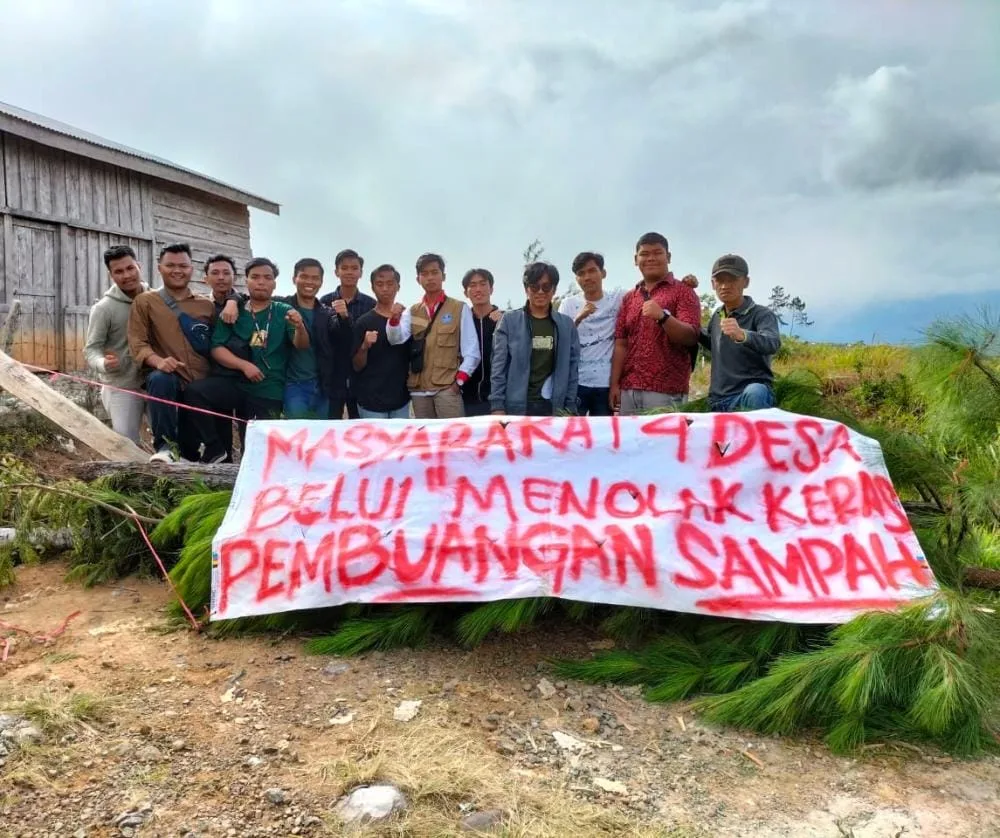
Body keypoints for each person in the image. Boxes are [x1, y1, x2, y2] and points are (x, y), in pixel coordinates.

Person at [184, 258, 310, 462]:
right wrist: (243, 365)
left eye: (267, 278)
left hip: (268, 390)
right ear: (246, 281)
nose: (261, 282)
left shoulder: (283, 310)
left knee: (254, 451)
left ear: (274, 283)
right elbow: (216, 348)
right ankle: (214, 448)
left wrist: (300, 326)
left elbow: (301, 345)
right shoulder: (234, 310)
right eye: (255, 277)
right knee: (195, 392)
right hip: (237, 384)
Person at [128, 243, 216, 463]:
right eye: (170, 265)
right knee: (160, 379)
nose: (177, 270)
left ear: (191, 269)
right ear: (160, 268)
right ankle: (164, 446)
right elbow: (137, 342)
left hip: (199, 383)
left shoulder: (206, 305)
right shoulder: (145, 302)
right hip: (169, 379)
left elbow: (217, 344)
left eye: (183, 266)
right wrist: (158, 361)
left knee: (189, 452)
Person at [611, 232, 701, 415]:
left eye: (657, 253)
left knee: (666, 435)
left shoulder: (684, 291)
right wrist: (614, 384)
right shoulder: (629, 298)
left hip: (666, 390)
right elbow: (621, 344)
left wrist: (663, 317)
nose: (651, 258)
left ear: (668, 257)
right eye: (644, 254)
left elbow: (691, 336)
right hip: (629, 389)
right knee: (628, 435)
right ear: (636, 260)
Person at [386, 253, 481, 419]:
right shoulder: (412, 311)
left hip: (447, 390)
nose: (430, 277)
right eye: (425, 274)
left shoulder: (459, 308)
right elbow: (396, 339)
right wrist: (393, 320)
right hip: (419, 391)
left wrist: (458, 382)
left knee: (453, 434)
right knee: (425, 436)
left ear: (443, 276)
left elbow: (472, 352)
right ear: (418, 279)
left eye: (434, 272)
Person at [490, 262, 579, 416]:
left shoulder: (566, 325)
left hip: (554, 407)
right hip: (516, 407)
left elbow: (572, 368)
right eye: (534, 287)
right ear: (526, 289)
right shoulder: (509, 321)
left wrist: (570, 406)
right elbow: (498, 367)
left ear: (554, 289)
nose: (540, 292)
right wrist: (497, 406)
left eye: (546, 287)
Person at [84, 245, 148, 444]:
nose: (126, 275)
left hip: (156, 383)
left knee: (170, 441)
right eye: (119, 271)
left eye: (130, 268)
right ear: (111, 275)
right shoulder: (103, 309)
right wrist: (103, 363)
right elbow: (91, 349)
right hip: (121, 387)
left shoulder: (156, 299)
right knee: (127, 444)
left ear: (139, 266)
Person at [700, 254, 781, 412]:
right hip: (717, 399)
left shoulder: (761, 314)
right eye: (720, 280)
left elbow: (772, 343)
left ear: (746, 282)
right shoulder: (717, 315)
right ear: (713, 284)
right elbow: (712, 344)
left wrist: (743, 335)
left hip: (747, 395)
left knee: (756, 391)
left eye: (732, 279)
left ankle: (756, 426)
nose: (725, 286)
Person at [558, 252, 621, 416]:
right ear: (576, 279)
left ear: (603, 273)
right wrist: (578, 318)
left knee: (603, 431)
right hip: (576, 383)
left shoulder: (617, 298)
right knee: (572, 429)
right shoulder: (568, 304)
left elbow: (643, 291)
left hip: (605, 383)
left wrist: (682, 285)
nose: (587, 277)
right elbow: (560, 340)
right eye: (581, 273)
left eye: (592, 271)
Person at [277, 258, 340, 419]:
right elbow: (252, 299)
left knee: (320, 433)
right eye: (304, 276)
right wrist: (233, 301)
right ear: (294, 279)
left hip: (322, 386)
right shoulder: (281, 306)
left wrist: (345, 317)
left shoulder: (327, 313)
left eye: (315, 278)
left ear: (321, 282)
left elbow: (343, 338)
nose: (309, 282)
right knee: (297, 432)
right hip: (293, 385)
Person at [319, 249, 375, 419]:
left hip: (361, 375)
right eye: (344, 268)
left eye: (354, 268)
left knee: (359, 425)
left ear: (361, 272)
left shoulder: (370, 304)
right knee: (331, 423)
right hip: (333, 374)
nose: (349, 272)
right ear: (336, 272)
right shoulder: (324, 302)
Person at [352, 265, 412, 419]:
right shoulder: (363, 322)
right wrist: (364, 346)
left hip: (401, 401)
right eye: (379, 284)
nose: (385, 289)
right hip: (371, 403)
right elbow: (356, 365)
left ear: (398, 286)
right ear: (373, 288)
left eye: (390, 284)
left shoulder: (407, 319)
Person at [462, 268, 502, 416]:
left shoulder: (505, 320)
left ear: (491, 289)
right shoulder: (461, 321)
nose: (478, 289)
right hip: (466, 398)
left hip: (498, 400)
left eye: (483, 284)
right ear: (466, 293)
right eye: (472, 285)